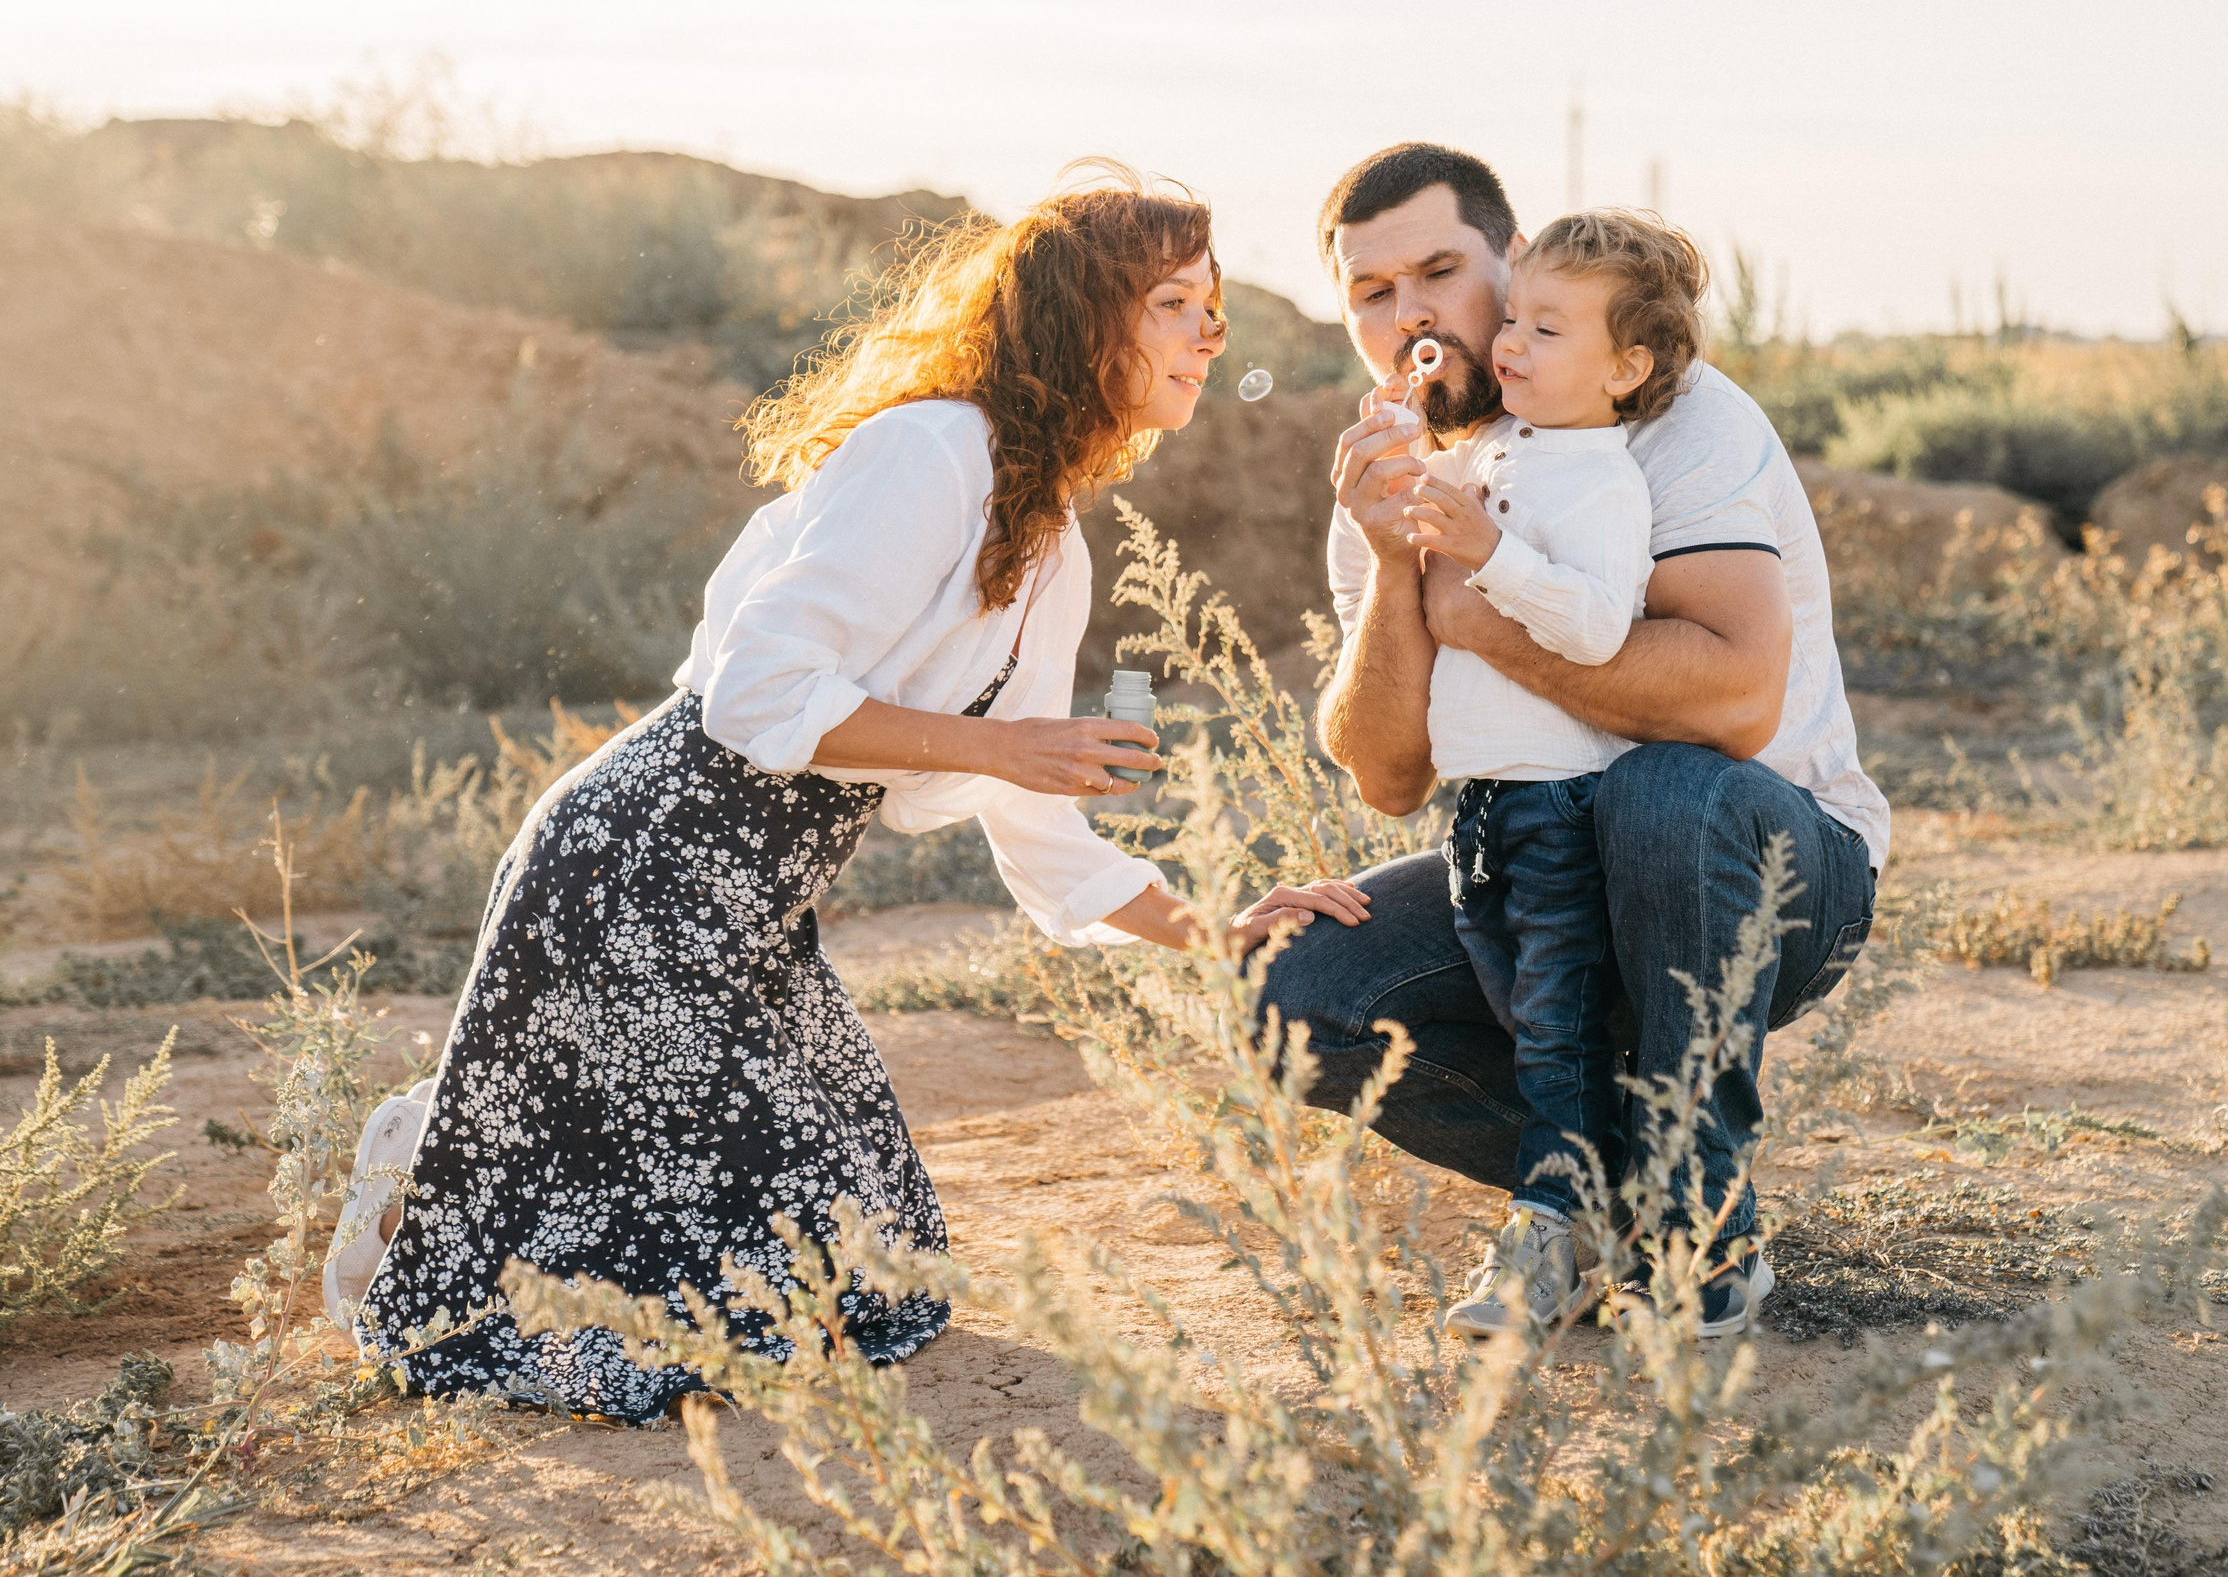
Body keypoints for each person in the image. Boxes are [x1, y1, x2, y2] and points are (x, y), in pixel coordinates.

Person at [354, 164, 1371, 1421]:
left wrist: (1211, 932)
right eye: (1176, 302)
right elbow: (755, 694)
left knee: (873, 1287)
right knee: (710, 1336)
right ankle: (426, 1165)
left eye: (1216, 309)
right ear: (1085, 317)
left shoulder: (1049, 539)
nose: (1212, 335)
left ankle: (442, 1134)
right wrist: (996, 745)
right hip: (635, 863)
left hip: (754, 903)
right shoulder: (932, 448)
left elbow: (1040, 825)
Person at [1270, 144, 1887, 1337]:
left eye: (1441, 273)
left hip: (1763, 865)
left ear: (1511, 268)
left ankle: (1698, 1220)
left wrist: (1481, 618)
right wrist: (1401, 560)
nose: (1413, 318)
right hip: (1541, 859)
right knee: (1299, 985)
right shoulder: (1401, 476)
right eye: (1373, 294)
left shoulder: (1671, 417)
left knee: (1660, 791)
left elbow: (1733, 705)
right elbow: (1392, 775)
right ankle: (1595, 1201)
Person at [1385, 210, 1703, 1336]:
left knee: (1555, 1027)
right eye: (1512, 316)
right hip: (1480, 810)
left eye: (1547, 328)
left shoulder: (1600, 482)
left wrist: (1489, 554)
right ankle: (1614, 1213)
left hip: (1558, 805)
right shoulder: (1500, 451)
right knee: (1530, 1021)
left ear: (1626, 368)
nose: (1510, 342)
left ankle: (1544, 1231)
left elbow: (1595, 626)